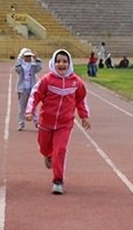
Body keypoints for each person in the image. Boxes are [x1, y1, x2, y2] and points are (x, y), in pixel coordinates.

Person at [25, 49, 91, 194]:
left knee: (60, 150)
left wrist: (84, 116)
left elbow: (81, 99)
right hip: (46, 122)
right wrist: (30, 111)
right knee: (44, 147)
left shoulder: (76, 82)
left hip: (64, 124)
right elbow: (34, 95)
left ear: (69, 64)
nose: (61, 64)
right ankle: (47, 155)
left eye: (65, 61)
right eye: (58, 61)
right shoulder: (47, 80)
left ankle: (58, 181)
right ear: (53, 63)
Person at [15, 47, 43, 131]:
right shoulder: (21, 66)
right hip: (22, 89)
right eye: (26, 56)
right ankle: (21, 123)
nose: (28, 58)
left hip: (31, 89)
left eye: (29, 56)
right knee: (22, 108)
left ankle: (37, 123)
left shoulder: (33, 66)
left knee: (33, 106)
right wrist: (19, 58)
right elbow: (17, 69)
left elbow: (40, 67)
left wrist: (36, 58)